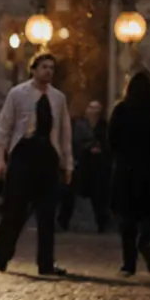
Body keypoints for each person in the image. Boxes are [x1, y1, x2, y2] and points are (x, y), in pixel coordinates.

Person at [0, 53, 74, 276]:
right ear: (34, 69)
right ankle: (2, 253)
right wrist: (0, 158)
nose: (48, 71)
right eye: (44, 67)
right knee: (14, 209)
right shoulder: (18, 94)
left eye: (51, 68)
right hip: (23, 154)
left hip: (48, 155)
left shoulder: (58, 98)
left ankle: (45, 262)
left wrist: (67, 165)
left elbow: (64, 132)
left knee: (47, 213)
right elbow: (4, 127)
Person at [109, 72, 150, 276]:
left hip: (127, 169)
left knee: (127, 219)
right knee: (149, 213)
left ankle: (129, 262)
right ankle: (145, 241)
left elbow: (112, 140)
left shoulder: (121, 110)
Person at [59, 99, 111, 233]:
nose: (94, 112)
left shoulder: (104, 125)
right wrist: (88, 147)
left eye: (97, 109)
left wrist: (100, 148)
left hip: (98, 166)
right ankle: (63, 221)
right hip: (82, 163)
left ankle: (102, 223)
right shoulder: (79, 124)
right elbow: (75, 141)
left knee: (99, 197)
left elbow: (108, 142)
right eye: (92, 108)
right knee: (70, 194)